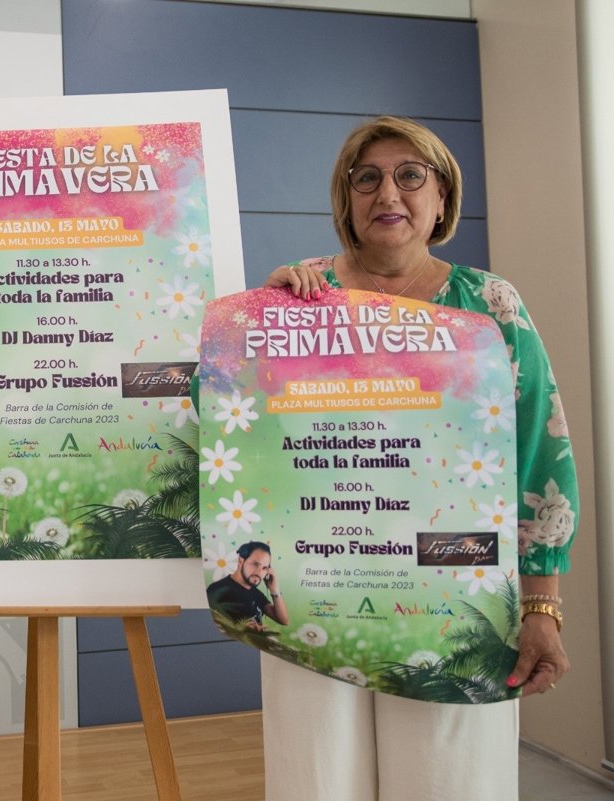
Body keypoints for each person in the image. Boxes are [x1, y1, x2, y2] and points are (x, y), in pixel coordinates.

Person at [258, 116, 578, 801]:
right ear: (345, 198)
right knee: (319, 780)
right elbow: (244, 435)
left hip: (458, 593)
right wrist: (256, 323)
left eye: (411, 175)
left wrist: (542, 608)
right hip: (319, 583)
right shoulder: (297, 301)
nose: (387, 193)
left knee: (449, 782)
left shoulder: (490, 306)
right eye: (366, 177)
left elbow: (537, 455)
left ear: (442, 197)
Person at [206, 541, 288, 631]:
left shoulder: (256, 593)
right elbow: (212, 626)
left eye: (264, 568)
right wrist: (241, 628)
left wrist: (274, 589)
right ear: (241, 561)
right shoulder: (217, 590)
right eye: (255, 564)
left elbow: (283, 620)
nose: (259, 572)